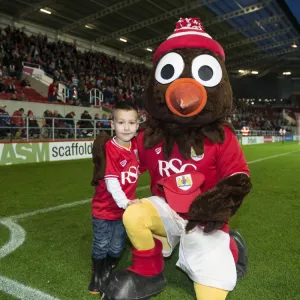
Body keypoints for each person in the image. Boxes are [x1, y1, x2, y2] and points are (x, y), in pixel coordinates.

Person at [88, 101, 140, 295]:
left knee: (117, 246)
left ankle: (107, 268)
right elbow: (112, 183)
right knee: (101, 244)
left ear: (137, 125)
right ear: (112, 124)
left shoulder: (134, 147)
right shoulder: (110, 149)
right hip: (104, 209)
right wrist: (125, 202)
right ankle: (97, 274)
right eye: (121, 122)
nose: (126, 127)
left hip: (123, 212)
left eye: (131, 123)